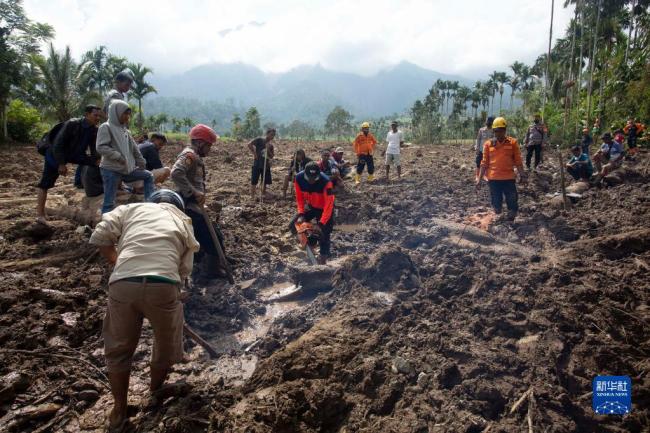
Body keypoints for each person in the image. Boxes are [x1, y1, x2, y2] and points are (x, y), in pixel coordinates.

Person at [89, 189, 199, 433]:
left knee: (118, 350)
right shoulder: (182, 220)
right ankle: (154, 391)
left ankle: (119, 410)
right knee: (165, 345)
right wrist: (175, 291)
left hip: (122, 285)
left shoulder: (131, 209)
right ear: (177, 206)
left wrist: (121, 264)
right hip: (163, 285)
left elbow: (100, 236)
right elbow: (185, 269)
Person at [171, 124, 226, 280]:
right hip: (190, 207)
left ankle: (200, 268)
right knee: (214, 238)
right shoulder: (190, 155)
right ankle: (211, 271)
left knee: (199, 239)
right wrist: (193, 192)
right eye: (209, 145)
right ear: (201, 143)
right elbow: (176, 173)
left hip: (194, 206)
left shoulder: (195, 156)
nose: (210, 149)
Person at [36, 105, 102, 222]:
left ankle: (95, 188)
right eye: (95, 115)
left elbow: (93, 149)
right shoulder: (73, 124)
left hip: (75, 155)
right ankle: (40, 214)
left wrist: (97, 160)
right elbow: (58, 144)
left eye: (99, 116)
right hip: (55, 154)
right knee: (45, 183)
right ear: (87, 114)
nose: (98, 118)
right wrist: (61, 164)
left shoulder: (93, 130)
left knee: (97, 164)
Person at [97, 100, 154, 214]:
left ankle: (150, 205)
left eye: (129, 114)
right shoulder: (106, 127)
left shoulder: (125, 130)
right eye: (125, 113)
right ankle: (105, 225)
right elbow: (101, 147)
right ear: (116, 113)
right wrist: (118, 156)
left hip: (126, 169)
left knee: (148, 176)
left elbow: (134, 148)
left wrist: (141, 160)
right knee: (109, 202)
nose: (128, 116)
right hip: (111, 169)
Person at [476, 117, 526, 222]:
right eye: (497, 131)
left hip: (508, 177)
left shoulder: (513, 143)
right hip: (493, 178)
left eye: (502, 130)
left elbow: (518, 161)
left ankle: (511, 218)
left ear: (505, 130)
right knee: (496, 202)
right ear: (493, 131)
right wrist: (479, 179)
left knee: (512, 199)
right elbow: (484, 163)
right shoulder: (488, 145)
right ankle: (498, 216)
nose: (499, 133)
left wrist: (523, 175)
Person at [290, 162, 335, 264]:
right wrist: (301, 214)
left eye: (314, 178)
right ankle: (309, 245)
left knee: (324, 233)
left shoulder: (326, 182)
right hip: (311, 206)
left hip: (324, 208)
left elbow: (329, 205)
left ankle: (323, 257)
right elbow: (299, 198)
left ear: (318, 175)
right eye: (309, 178)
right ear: (305, 174)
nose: (311, 181)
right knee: (294, 224)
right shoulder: (298, 178)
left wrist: (321, 224)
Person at [248, 128, 276, 198]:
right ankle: (252, 196)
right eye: (271, 135)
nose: (272, 137)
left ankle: (263, 193)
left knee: (264, 181)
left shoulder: (270, 146)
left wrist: (268, 150)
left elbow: (272, 156)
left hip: (266, 165)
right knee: (254, 180)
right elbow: (249, 144)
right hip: (257, 163)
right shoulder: (259, 140)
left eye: (273, 135)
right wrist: (254, 153)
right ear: (267, 134)